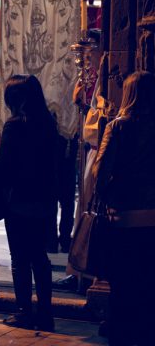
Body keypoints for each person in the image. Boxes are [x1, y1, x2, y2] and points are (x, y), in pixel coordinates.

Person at [92, 71, 155, 345]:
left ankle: (121, 329)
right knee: (147, 276)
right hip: (152, 213)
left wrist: (103, 192)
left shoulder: (118, 126)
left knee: (122, 277)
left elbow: (101, 170)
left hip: (124, 213)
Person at [0, 74, 57, 331]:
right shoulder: (48, 122)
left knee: (20, 258)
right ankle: (46, 313)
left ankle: (23, 312)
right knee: (40, 257)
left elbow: (4, 164)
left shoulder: (15, 125)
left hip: (19, 198)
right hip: (43, 199)